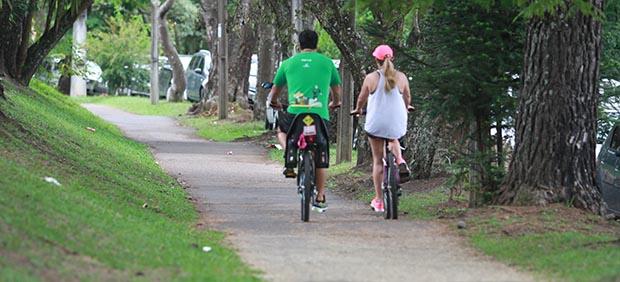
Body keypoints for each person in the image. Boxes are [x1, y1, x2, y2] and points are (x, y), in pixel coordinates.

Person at [269, 30, 342, 212]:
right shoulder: (327, 63)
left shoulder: (287, 64)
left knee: (281, 131)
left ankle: (289, 153)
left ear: (299, 45)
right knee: (321, 151)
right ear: (316, 44)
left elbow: (275, 91)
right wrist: (335, 103)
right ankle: (320, 194)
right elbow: (337, 90)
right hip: (320, 116)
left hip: (295, 115)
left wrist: (274, 103)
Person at [351, 44, 413, 213]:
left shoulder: (371, 78)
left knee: (378, 161)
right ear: (391, 58)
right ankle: (400, 160)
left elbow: (361, 99)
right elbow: (407, 98)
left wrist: (358, 110)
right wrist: (407, 107)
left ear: (376, 60)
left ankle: (379, 200)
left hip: (376, 124)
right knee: (394, 136)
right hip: (396, 123)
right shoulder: (401, 77)